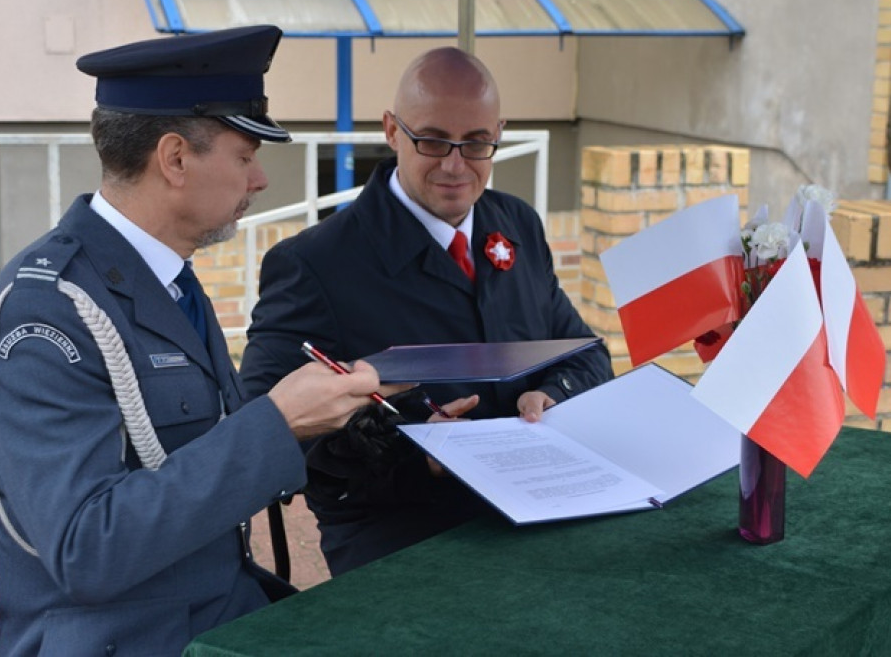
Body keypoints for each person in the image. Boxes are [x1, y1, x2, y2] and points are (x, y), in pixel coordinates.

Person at [0, 25, 388, 657]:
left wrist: (346, 421)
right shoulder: (48, 309)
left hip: (215, 615)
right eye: (245, 155)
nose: (259, 180)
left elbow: (198, 455)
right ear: (174, 159)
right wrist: (277, 424)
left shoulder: (167, 277)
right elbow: (85, 550)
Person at [240, 46, 613, 575]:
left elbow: (587, 354)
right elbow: (264, 424)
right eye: (433, 140)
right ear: (392, 131)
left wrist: (551, 395)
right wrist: (418, 452)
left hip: (533, 510)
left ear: (498, 133)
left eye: (478, 143)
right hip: (403, 536)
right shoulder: (314, 263)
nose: (455, 165)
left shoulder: (517, 223)